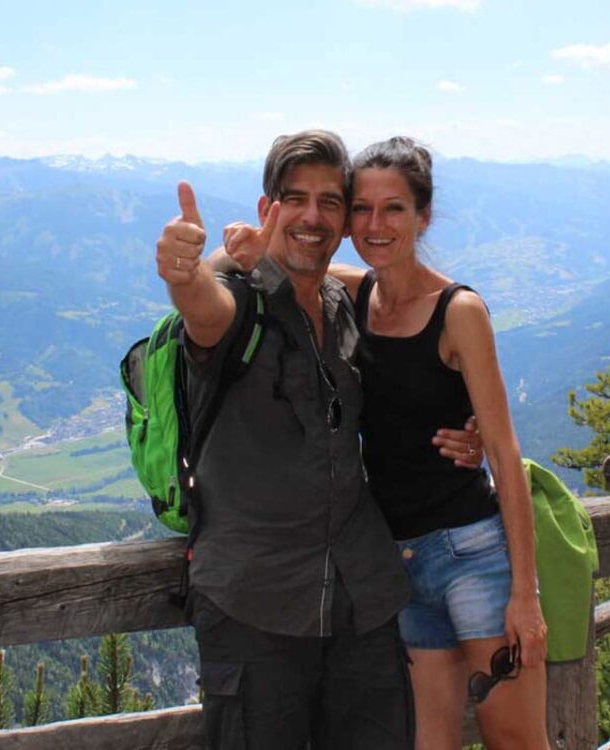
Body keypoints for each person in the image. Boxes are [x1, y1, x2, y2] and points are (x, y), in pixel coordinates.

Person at [222, 137, 550, 750]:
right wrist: (247, 243)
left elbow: (505, 454)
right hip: (398, 567)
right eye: (362, 209)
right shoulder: (357, 293)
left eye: (394, 209)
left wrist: (524, 597)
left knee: (517, 742)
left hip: (471, 554)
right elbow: (279, 266)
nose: (375, 225)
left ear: (423, 217)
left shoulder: (459, 311)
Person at [155, 130, 479, 750]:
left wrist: (477, 433)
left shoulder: (344, 300)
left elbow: (411, 324)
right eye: (294, 198)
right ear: (265, 209)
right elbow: (201, 304)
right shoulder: (236, 305)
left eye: (331, 201)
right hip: (255, 607)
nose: (312, 216)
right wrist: (185, 271)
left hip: (363, 601)